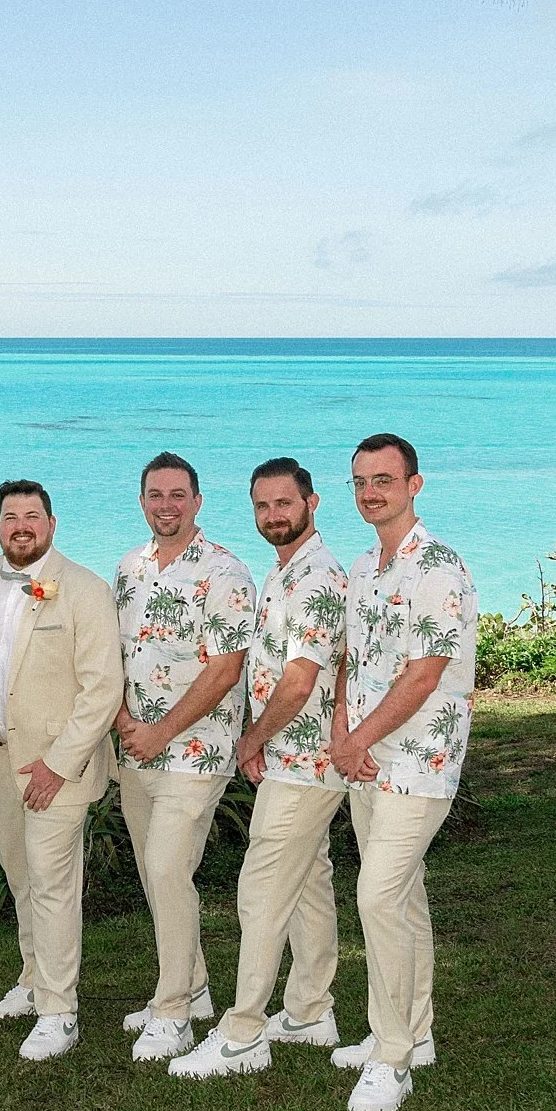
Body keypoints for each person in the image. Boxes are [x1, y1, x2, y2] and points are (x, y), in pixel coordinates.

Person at [169, 458, 351, 1079]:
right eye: (262, 506)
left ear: (311, 503)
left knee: (261, 888)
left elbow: (298, 681)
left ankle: (243, 1032)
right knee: (308, 881)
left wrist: (251, 739)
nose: (273, 515)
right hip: (292, 756)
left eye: (284, 503)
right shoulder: (286, 570)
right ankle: (310, 1011)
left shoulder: (316, 579)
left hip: (307, 760)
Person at [326, 433, 477, 1111]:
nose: (370, 492)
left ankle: (391, 1060)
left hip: (420, 761)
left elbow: (424, 674)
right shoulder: (364, 568)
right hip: (365, 759)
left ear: (414, 485)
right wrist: (343, 736)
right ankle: (414, 1033)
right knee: (405, 898)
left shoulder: (438, 568)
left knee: (377, 897)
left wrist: (358, 738)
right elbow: (351, 661)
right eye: (360, 481)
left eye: (383, 480)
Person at [0, 480, 123, 1062]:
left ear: (51, 524)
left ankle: (58, 1011)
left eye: (31, 515)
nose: (20, 525)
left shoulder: (86, 589)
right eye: (10, 516)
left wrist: (58, 765)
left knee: (52, 885)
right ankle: (32, 980)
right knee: (22, 878)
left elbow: (102, 689)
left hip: (57, 768)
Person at [111, 452, 256, 1061]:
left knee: (169, 869)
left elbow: (225, 670)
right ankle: (193, 989)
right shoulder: (129, 568)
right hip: (135, 752)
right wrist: (124, 721)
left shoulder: (226, 572)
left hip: (196, 752)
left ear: (197, 501)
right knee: (155, 875)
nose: (166, 505)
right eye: (155, 494)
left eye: (177, 495)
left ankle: (172, 1013)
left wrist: (161, 731)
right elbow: (115, 656)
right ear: (142, 501)